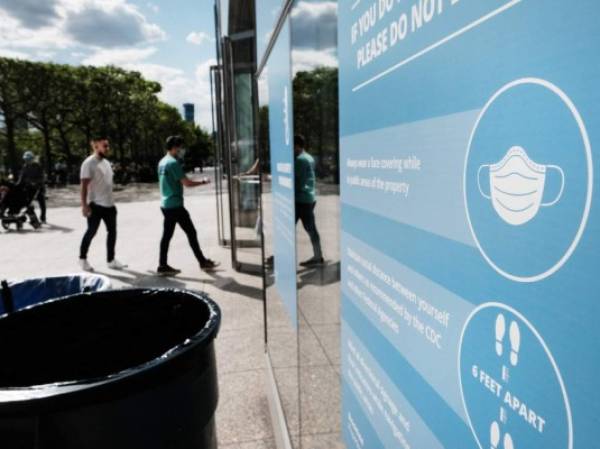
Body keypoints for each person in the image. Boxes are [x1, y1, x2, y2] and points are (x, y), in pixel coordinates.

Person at [157, 135, 219, 276]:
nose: (181, 150)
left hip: (165, 204)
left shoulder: (161, 162)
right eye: (180, 147)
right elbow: (187, 183)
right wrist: (203, 181)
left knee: (166, 236)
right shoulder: (173, 163)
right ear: (175, 147)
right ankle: (202, 262)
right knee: (191, 233)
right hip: (175, 205)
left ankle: (162, 265)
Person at [78, 135, 127, 271]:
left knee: (112, 232)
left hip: (110, 205)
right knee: (91, 232)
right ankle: (82, 259)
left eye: (108, 145)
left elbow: (107, 182)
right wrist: (84, 205)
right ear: (95, 145)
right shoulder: (88, 163)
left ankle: (111, 260)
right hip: (95, 205)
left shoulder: (106, 163)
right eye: (104, 145)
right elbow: (83, 186)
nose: (107, 148)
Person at [294, 134, 324, 266]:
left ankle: (318, 258)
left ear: (297, 146)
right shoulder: (309, 158)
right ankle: (318, 256)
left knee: (288, 228)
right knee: (312, 230)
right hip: (309, 198)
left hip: (300, 199)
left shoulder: (300, 160)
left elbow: (296, 181)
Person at [18, 151, 47, 223]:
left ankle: (43, 217)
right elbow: (22, 177)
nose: (27, 161)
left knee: (41, 202)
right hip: (30, 187)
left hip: (39, 187)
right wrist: (17, 184)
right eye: (25, 159)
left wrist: (36, 182)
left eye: (28, 159)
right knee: (28, 202)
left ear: (32, 159)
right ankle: (33, 217)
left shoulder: (38, 166)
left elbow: (42, 177)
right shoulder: (25, 167)